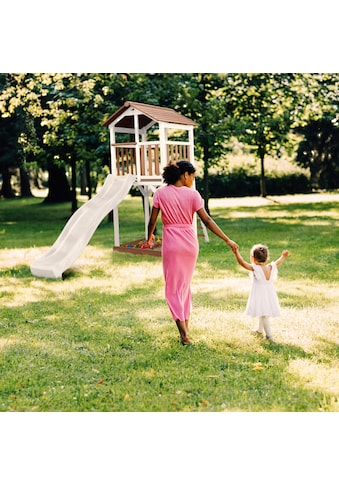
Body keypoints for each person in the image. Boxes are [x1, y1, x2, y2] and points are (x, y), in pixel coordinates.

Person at [147, 161, 238, 346]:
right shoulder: (193, 195)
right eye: (193, 176)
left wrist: (148, 238)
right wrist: (226, 239)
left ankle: (183, 334)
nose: (193, 180)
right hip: (190, 244)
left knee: (173, 288)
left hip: (172, 244)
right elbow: (207, 220)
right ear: (185, 175)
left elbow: (152, 220)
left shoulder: (160, 193)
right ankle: (186, 330)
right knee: (184, 287)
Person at [232, 243, 289, 343]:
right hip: (269, 294)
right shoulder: (270, 267)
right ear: (266, 258)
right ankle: (259, 329)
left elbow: (242, 263)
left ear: (253, 258)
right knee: (262, 312)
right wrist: (283, 256)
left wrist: (236, 253)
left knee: (264, 315)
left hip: (260, 294)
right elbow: (278, 262)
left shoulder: (255, 268)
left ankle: (269, 336)